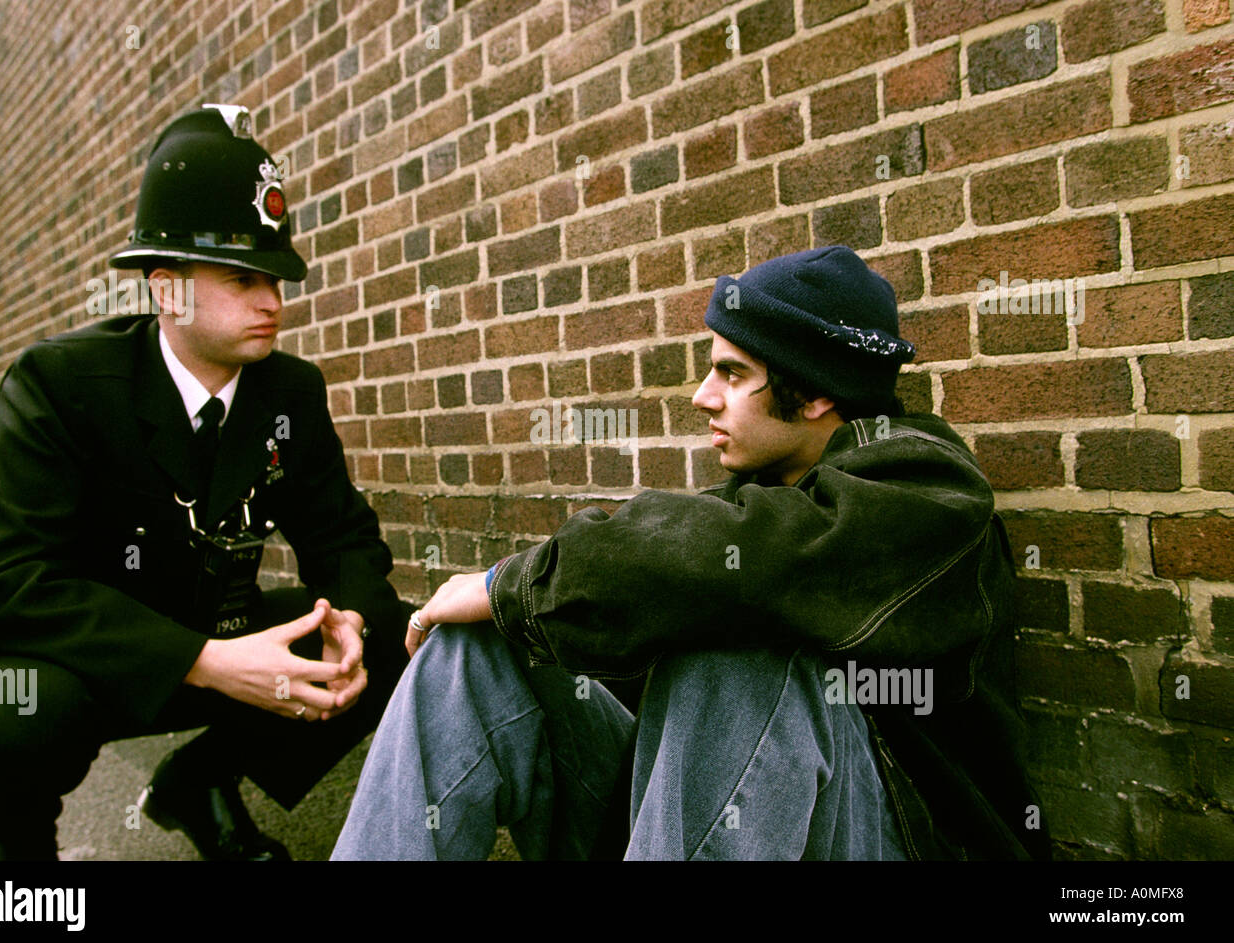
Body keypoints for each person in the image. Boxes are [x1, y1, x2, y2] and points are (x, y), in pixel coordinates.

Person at [331, 245, 1050, 861]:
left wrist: (505, 580)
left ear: (818, 393)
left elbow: (735, 564)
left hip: (898, 837)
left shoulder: (930, 489)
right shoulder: (762, 494)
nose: (703, 396)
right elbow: (666, 570)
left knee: (739, 640)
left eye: (733, 373)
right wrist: (509, 604)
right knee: (477, 646)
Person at [0, 104, 410, 861]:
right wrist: (205, 660)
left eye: (278, 277)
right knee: (16, 711)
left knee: (392, 635)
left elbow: (341, 535)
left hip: (213, 627)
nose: (272, 302)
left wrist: (351, 620)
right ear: (169, 289)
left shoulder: (286, 392)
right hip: (69, 656)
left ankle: (202, 781)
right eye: (243, 277)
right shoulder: (62, 383)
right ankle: (24, 862)